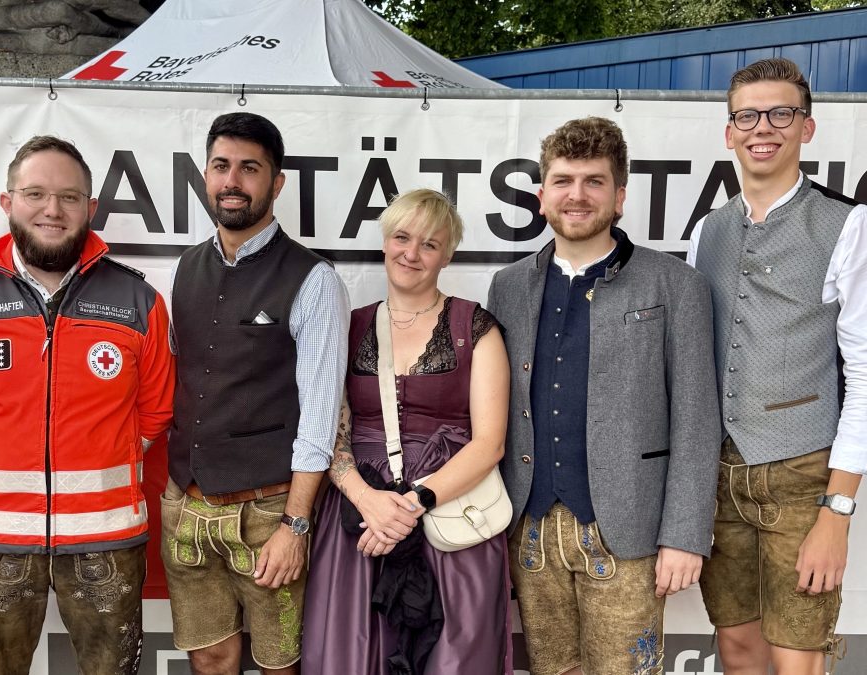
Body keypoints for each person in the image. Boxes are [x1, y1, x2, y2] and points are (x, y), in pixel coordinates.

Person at [0, 135, 175, 675]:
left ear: (91, 207)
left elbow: (155, 409)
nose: (52, 210)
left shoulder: (139, 301)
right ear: (7, 202)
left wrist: (111, 458)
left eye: (69, 196)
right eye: (35, 193)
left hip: (107, 537)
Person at [487, 117, 721, 675]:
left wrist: (686, 535)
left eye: (594, 182)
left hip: (628, 528)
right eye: (564, 181)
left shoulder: (675, 285)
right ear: (541, 196)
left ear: (619, 196)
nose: (577, 195)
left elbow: (696, 418)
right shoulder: (509, 286)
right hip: (531, 530)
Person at [689, 57, 867, 675]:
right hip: (718, 476)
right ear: (729, 131)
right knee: (737, 651)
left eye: (780, 113)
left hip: (801, 477)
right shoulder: (706, 231)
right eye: (747, 115)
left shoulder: (847, 225)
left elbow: (866, 375)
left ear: (807, 128)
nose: (763, 127)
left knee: (798, 659)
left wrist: (837, 513)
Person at [162, 111, 348, 675]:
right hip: (188, 505)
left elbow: (319, 416)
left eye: (249, 168)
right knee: (211, 657)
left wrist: (296, 525)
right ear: (205, 174)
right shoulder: (185, 267)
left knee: (278, 665)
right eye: (221, 166)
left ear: (277, 183)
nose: (232, 181)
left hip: (270, 511)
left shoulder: (314, 279)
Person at [303, 188, 513, 674]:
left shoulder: (475, 327)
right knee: (351, 657)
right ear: (384, 241)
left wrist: (415, 503)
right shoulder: (349, 326)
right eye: (402, 237)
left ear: (448, 255)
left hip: (451, 519)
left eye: (429, 244)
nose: (411, 253)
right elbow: (330, 432)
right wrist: (369, 502)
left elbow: (490, 443)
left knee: (455, 660)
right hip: (360, 522)